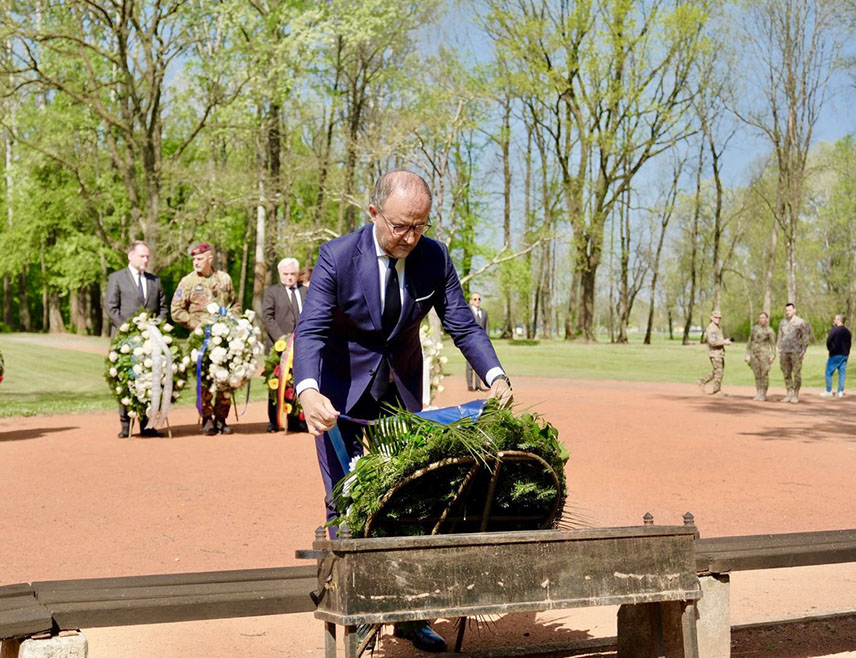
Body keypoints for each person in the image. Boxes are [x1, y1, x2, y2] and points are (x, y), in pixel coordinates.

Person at [294, 170, 512, 654]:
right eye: (400, 227)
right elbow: (309, 331)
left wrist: (495, 376)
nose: (411, 238)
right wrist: (307, 391)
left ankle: (413, 617)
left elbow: (462, 324)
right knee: (344, 500)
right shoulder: (336, 257)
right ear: (374, 214)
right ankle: (353, 617)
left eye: (420, 226)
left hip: (402, 390)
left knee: (417, 494)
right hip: (338, 394)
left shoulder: (433, 257)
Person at [171, 242, 239, 435]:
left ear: (210, 258)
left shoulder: (224, 279)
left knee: (225, 379)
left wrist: (232, 322)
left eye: (199, 259)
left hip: (224, 339)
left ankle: (222, 419)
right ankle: (207, 419)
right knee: (205, 381)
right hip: (200, 340)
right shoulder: (188, 282)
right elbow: (176, 311)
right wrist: (195, 324)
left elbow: (235, 304)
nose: (196, 262)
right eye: (194, 259)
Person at [105, 241, 168, 438]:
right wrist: (129, 329)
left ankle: (147, 424)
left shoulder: (154, 281)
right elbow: (111, 307)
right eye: (142, 256)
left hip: (151, 340)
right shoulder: (117, 278)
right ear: (130, 256)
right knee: (127, 379)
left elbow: (163, 308)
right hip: (125, 340)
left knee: (150, 380)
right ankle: (125, 424)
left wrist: (156, 327)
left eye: (148, 256)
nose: (146, 259)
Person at [262, 257, 307, 432]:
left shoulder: (306, 291)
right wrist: (282, 339)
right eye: (286, 274)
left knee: (298, 382)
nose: (289, 277)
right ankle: (274, 421)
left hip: (302, 345)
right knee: (276, 383)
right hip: (278, 346)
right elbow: (267, 317)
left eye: (292, 274)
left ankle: (296, 420)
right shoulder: (272, 292)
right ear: (280, 274)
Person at [777, 302, 811, 404]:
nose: (788, 312)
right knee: (786, 373)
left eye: (790, 310)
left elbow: (806, 336)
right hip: (784, 351)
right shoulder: (782, 322)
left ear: (794, 310)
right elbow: (780, 336)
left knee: (796, 374)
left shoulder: (800, 322)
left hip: (796, 351)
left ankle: (796, 394)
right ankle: (789, 393)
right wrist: (778, 348)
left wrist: (804, 350)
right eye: (786, 310)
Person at [697, 310, 732, 396]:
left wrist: (725, 341)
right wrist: (724, 342)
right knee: (719, 371)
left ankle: (702, 381)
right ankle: (716, 390)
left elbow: (717, 339)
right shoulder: (711, 328)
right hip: (714, 353)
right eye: (716, 317)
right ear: (712, 318)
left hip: (719, 353)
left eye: (719, 318)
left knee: (718, 371)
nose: (718, 319)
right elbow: (713, 342)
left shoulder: (717, 327)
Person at [745, 311, 776, 401]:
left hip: (764, 355)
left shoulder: (770, 331)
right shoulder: (754, 329)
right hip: (754, 354)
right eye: (760, 318)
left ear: (767, 319)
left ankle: (763, 393)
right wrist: (747, 354)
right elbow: (749, 341)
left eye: (763, 318)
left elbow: (773, 344)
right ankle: (758, 392)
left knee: (764, 374)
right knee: (757, 374)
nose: (761, 319)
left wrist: (773, 355)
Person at [465, 292, 490, 391]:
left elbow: (487, 327)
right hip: (470, 341)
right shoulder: (468, 311)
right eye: (475, 299)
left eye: (479, 299)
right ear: (471, 301)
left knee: (480, 364)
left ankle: (478, 385)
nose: (477, 301)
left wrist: (487, 340)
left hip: (481, 342)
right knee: (470, 364)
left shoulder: (484, 313)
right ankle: (470, 385)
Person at [821, 314, 850, 398]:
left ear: (839, 320)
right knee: (842, 373)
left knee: (828, 372)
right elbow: (849, 343)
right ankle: (840, 391)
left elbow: (829, 341)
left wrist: (830, 349)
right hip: (844, 355)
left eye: (835, 319)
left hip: (835, 354)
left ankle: (828, 390)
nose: (834, 321)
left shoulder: (835, 330)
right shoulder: (847, 331)